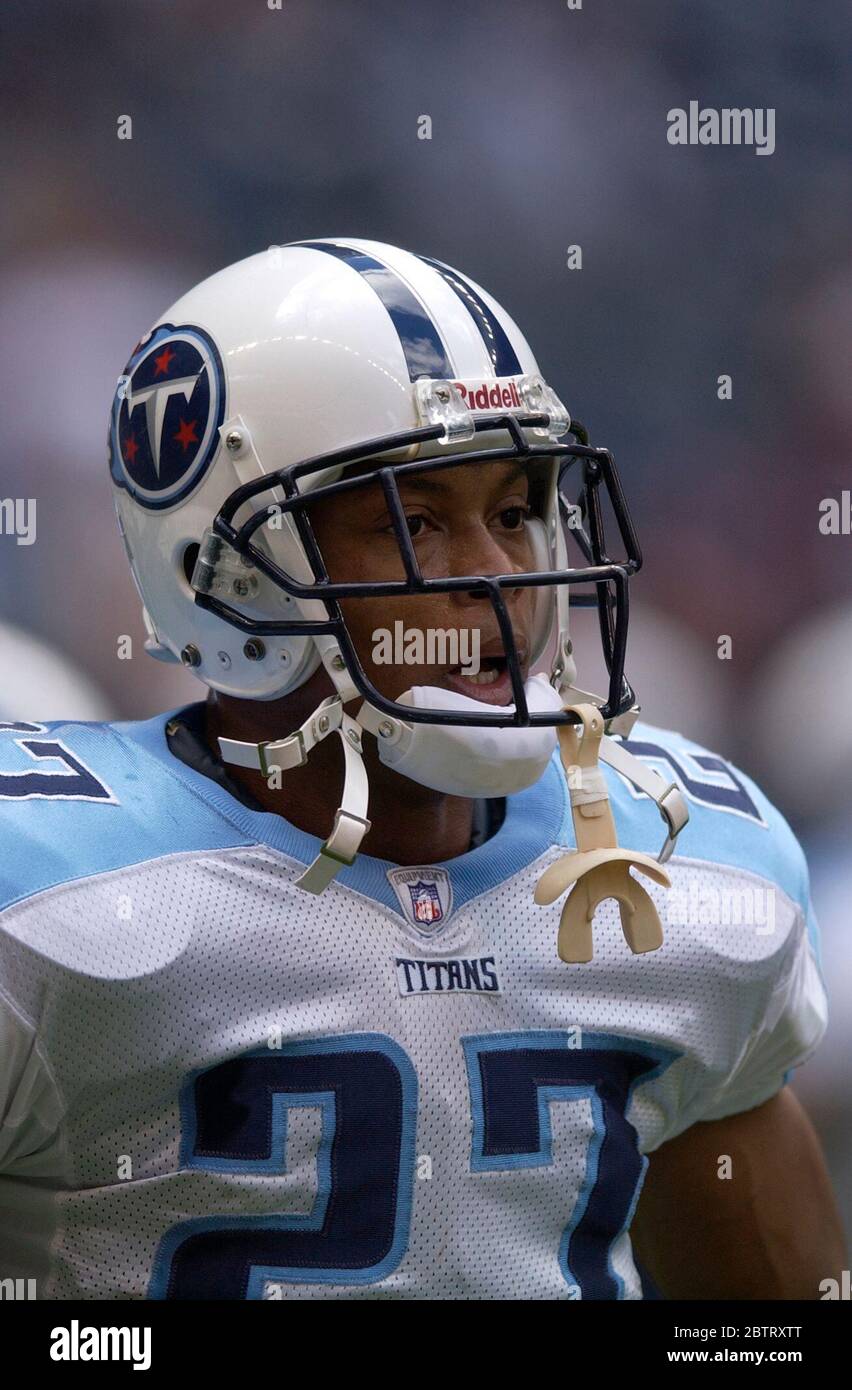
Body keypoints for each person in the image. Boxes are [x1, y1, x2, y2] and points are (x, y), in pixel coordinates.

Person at [0, 240, 843, 1299]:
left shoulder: (679, 867)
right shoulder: (49, 896)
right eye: (418, 523)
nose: (497, 576)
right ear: (217, 575)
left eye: (512, 511)